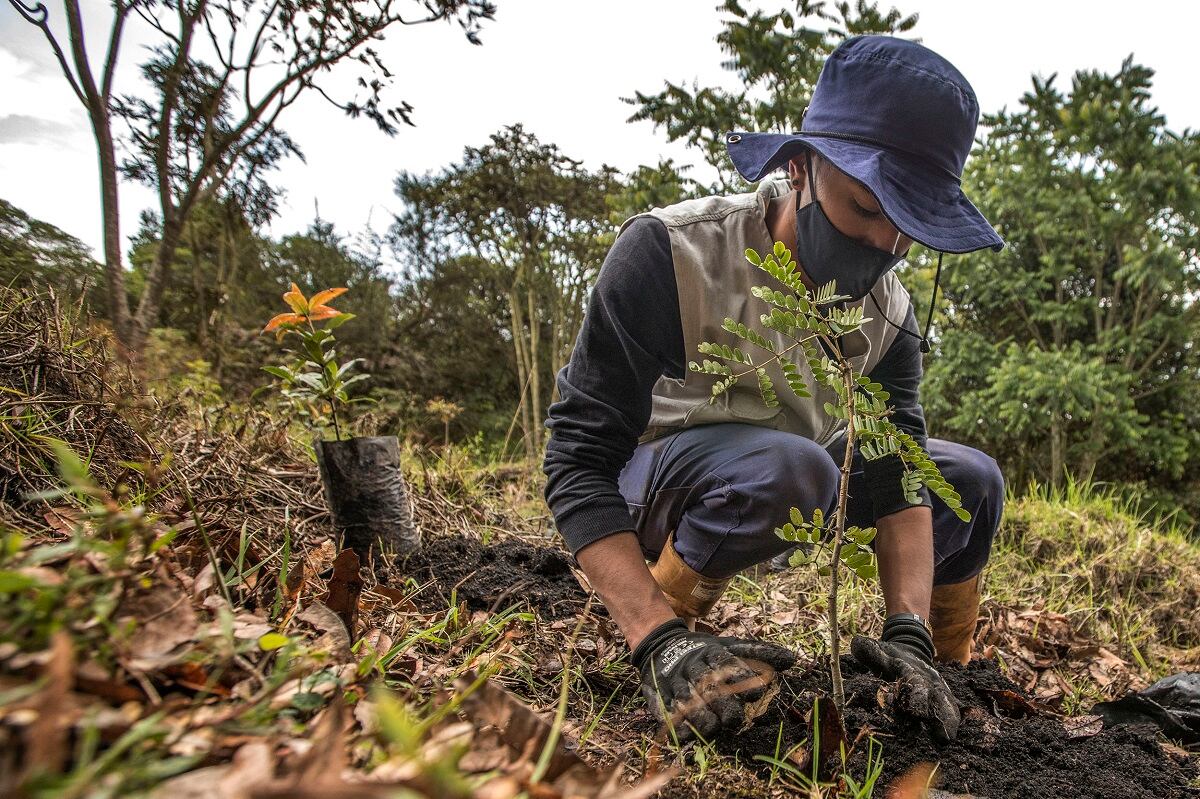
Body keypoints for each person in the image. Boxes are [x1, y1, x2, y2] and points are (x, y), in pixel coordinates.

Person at [543, 35, 1005, 745]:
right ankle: (668, 633)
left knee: (970, 480)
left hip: (803, 481)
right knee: (795, 467)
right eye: (863, 209)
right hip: (658, 491)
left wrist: (906, 634)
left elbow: (900, 473)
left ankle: (941, 671)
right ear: (800, 168)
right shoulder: (672, 254)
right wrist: (653, 637)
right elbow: (576, 458)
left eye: (908, 226)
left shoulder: (890, 315)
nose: (884, 246)